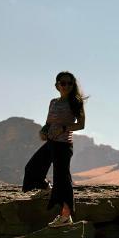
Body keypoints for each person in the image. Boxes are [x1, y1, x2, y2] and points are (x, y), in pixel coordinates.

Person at [22, 71, 87, 226]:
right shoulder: (53, 102)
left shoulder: (75, 102)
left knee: (62, 179)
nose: (66, 86)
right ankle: (46, 187)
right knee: (32, 168)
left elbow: (81, 124)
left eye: (69, 83)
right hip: (51, 143)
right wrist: (43, 131)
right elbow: (48, 122)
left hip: (64, 145)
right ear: (57, 85)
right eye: (63, 83)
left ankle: (65, 216)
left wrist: (64, 128)